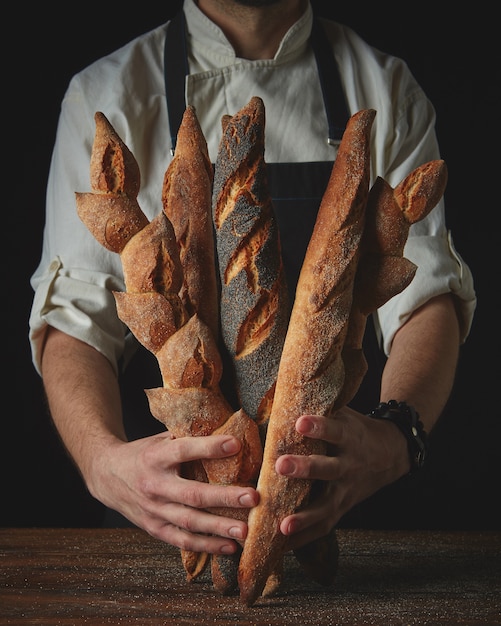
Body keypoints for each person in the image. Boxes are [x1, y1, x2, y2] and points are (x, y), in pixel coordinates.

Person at [29, 0, 476, 557]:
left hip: (353, 535)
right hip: (157, 536)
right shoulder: (108, 92)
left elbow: (426, 299)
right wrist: (102, 462)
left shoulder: (384, 88)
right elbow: (73, 320)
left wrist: (395, 437)